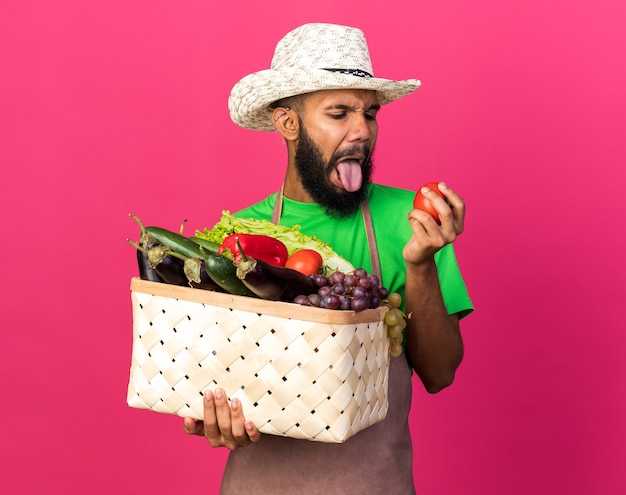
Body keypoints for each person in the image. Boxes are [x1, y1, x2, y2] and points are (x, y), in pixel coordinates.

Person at [183, 23, 474, 494]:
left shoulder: (413, 221)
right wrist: (210, 415)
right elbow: (213, 377)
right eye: (339, 113)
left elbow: (440, 374)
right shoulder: (236, 236)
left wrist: (420, 264)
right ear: (288, 123)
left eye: (370, 114)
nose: (362, 131)